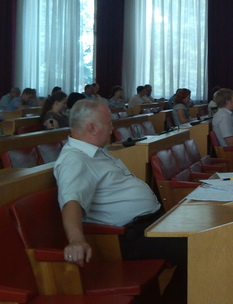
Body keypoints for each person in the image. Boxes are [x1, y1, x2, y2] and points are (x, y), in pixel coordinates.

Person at [53, 100, 186, 302]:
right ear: (91, 128)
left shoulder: (96, 151)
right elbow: (71, 202)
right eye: (108, 123)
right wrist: (76, 240)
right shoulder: (74, 159)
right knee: (200, 246)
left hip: (150, 224)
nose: (112, 128)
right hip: (131, 236)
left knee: (207, 232)